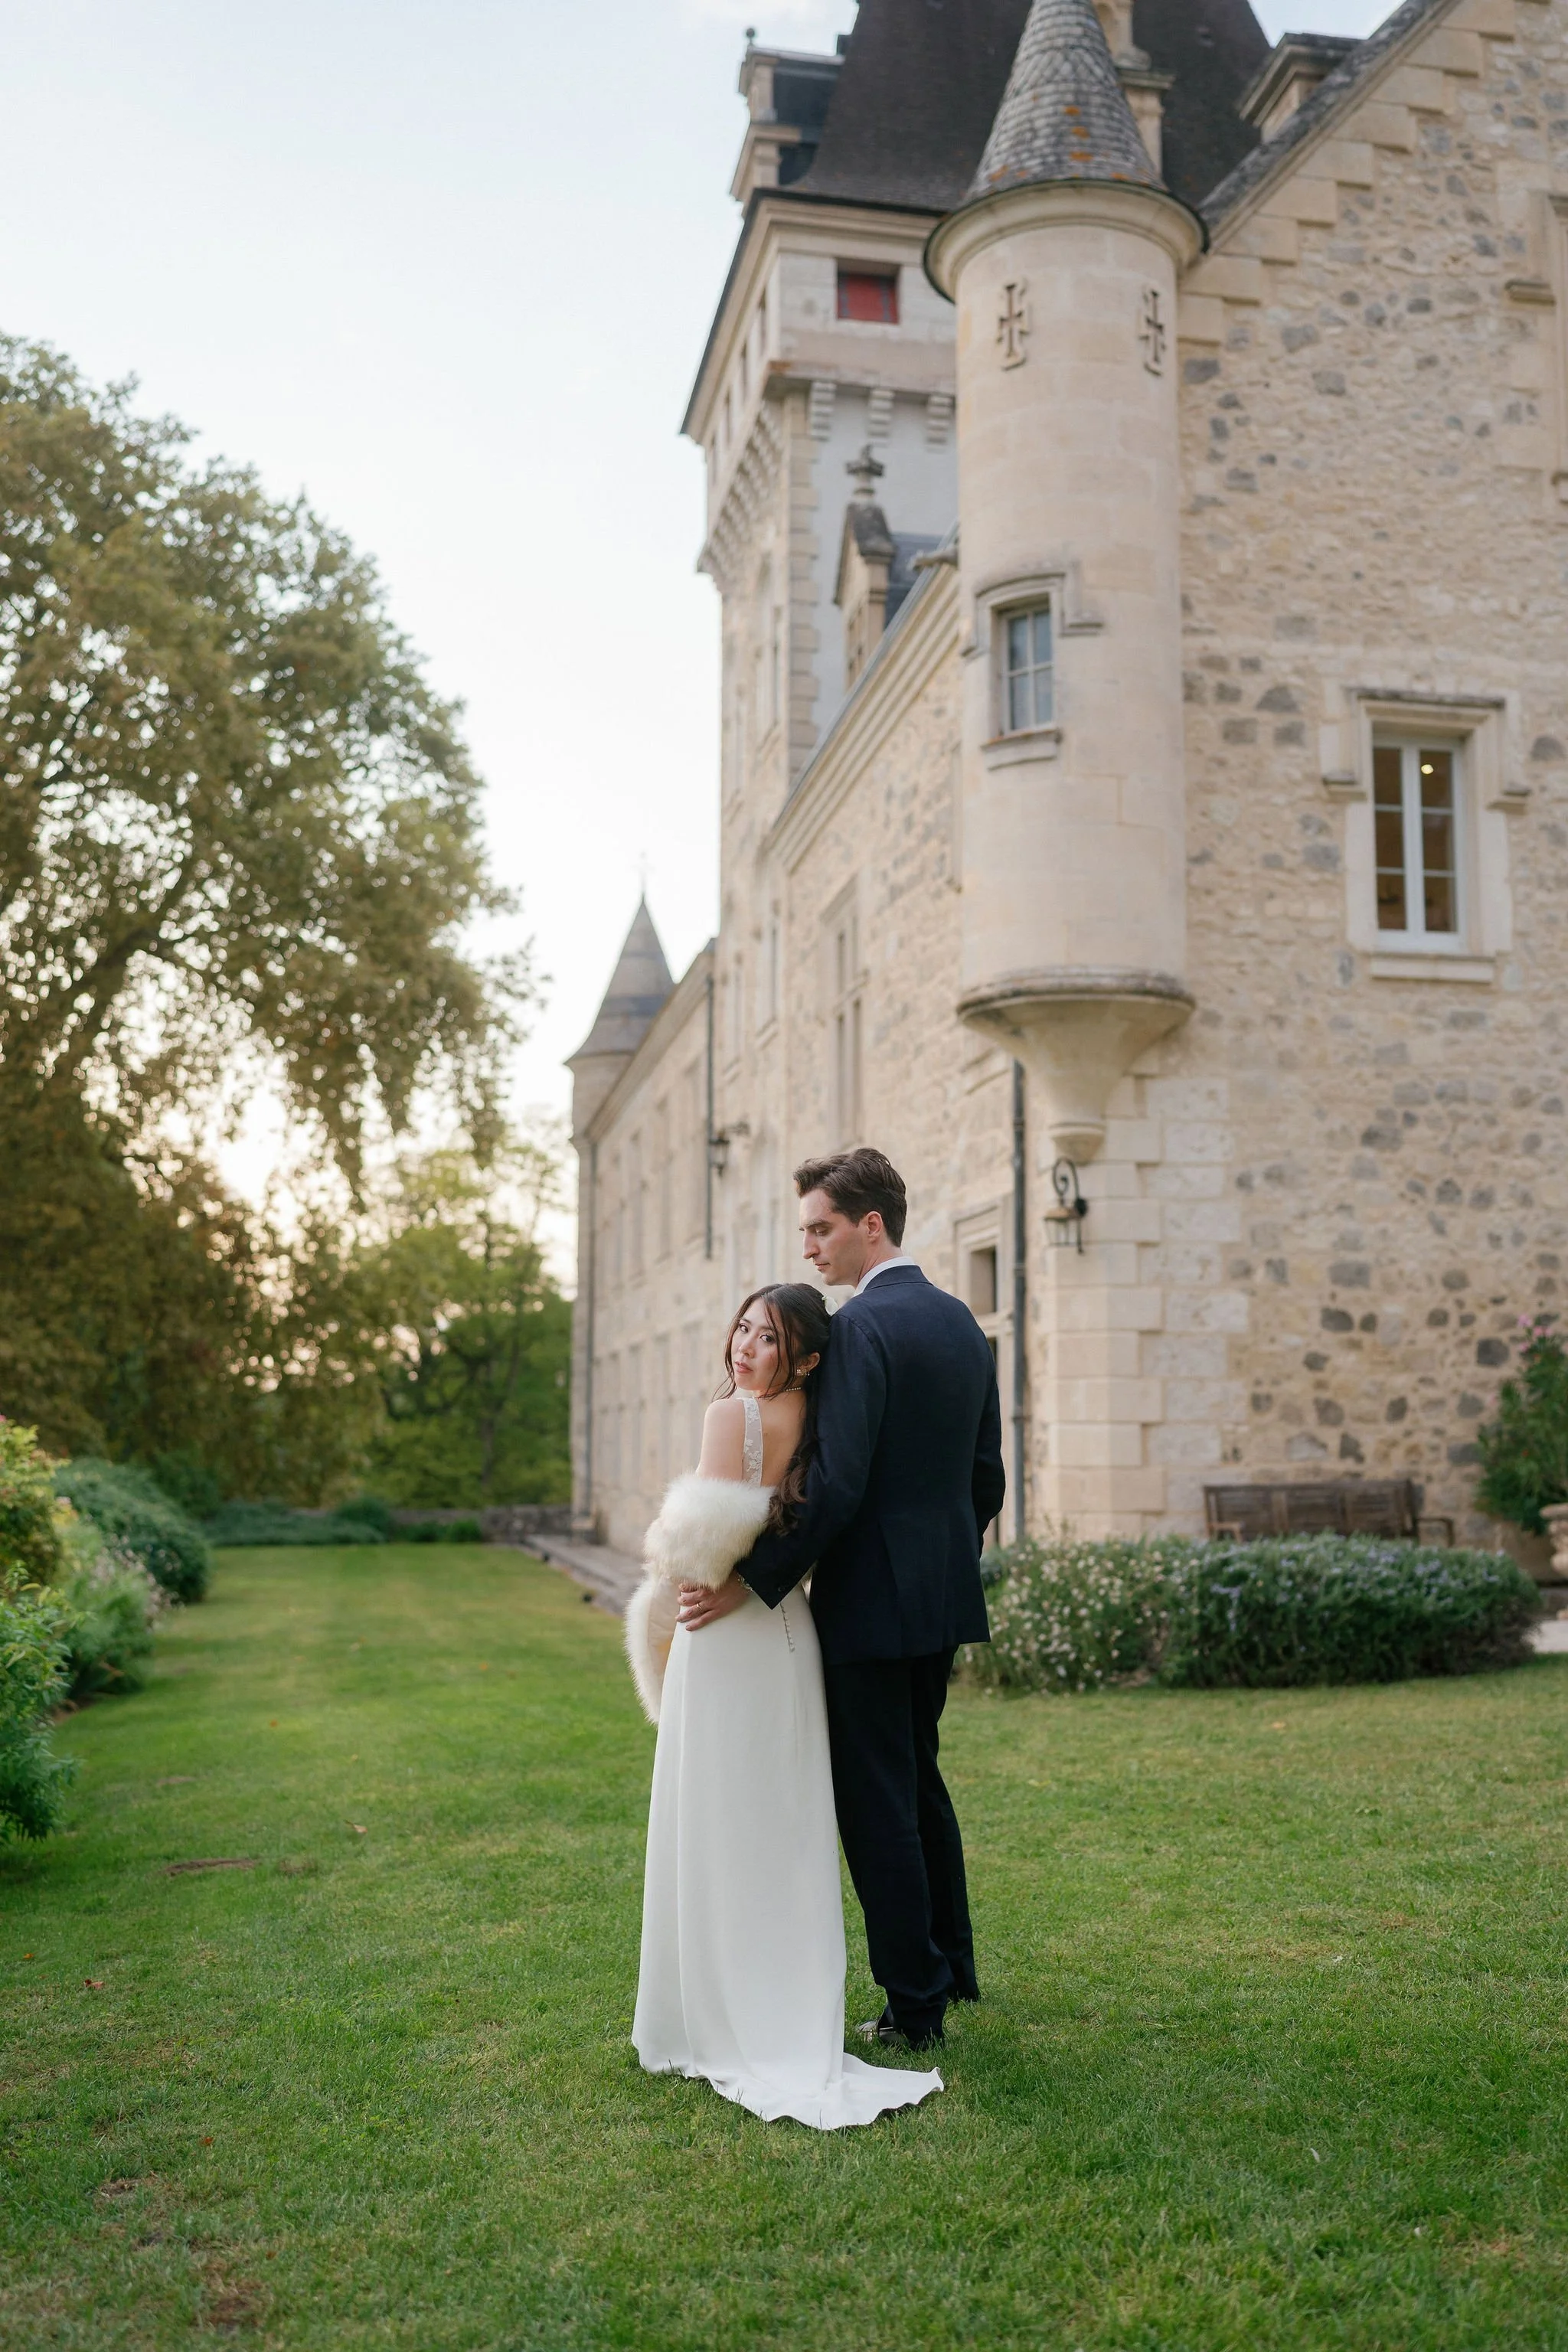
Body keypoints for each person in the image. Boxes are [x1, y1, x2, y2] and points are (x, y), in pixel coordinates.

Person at [680, 1148, 1004, 2050]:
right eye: (806, 1232)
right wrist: (938, 1557)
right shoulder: (959, 1323)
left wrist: (752, 1579)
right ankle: (950, 1967)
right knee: (919, 1779)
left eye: (822, 1228)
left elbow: (840, 1479)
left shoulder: (861, 1326)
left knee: (876, 1803)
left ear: (872, 1225)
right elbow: (987, 1478)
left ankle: (913, 2007)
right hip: (938, 1596)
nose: (812, 1248)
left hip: (869, 1602)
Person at [628, 1281, 943, 2129]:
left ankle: (716, 2015)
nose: (743, 1348)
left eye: (766, 1340)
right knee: (780, 1825)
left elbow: (698, 1550)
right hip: (787, 1629)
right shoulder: (815, 1413)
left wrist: (666, 1575)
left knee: (718, 1819)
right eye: (742, 1329)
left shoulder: (727, 1417)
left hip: (727, 1639)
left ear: (802, 1355)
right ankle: (784, 2007)